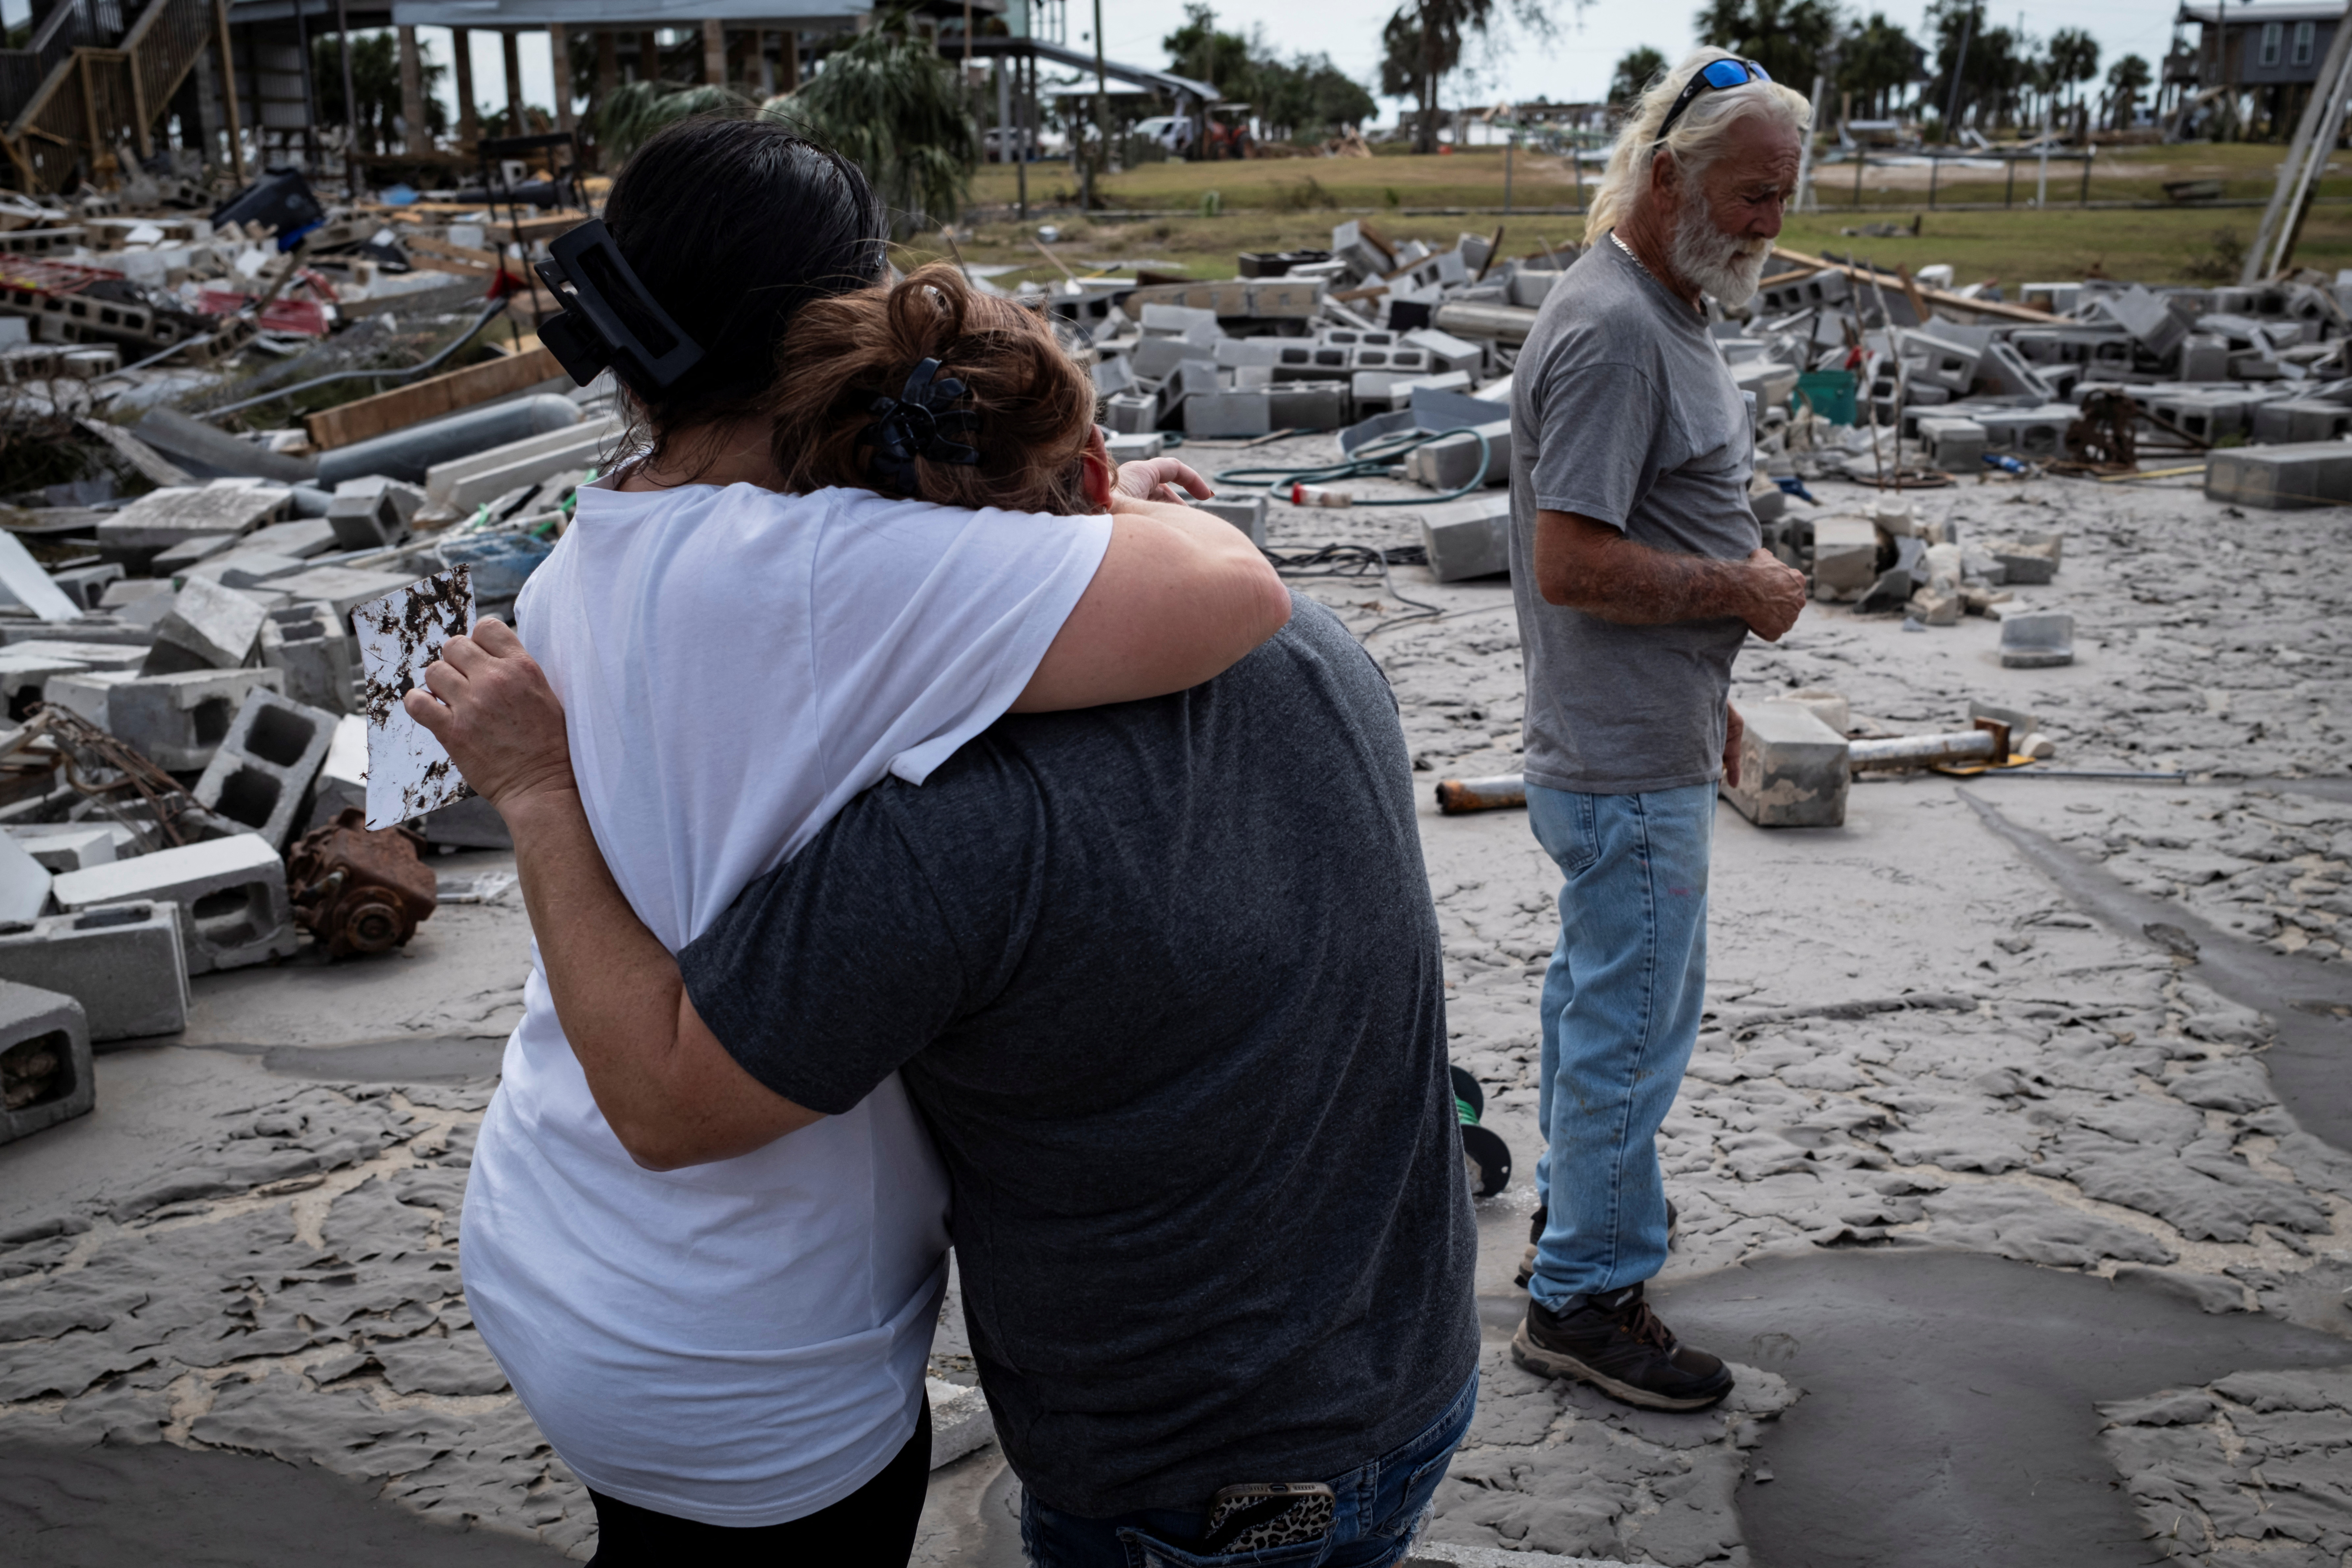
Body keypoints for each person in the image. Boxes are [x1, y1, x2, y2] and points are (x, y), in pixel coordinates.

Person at [457, 116, 1291, 1562]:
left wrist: (1047, 546)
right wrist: (1096, 524)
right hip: (748, 1333)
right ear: (831, 323)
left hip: (560, 1233)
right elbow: (1234, 593)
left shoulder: (603, 542)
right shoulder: (825, 577)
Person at [411, 546, 1479, 1564]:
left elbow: (664, 1102)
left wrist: (540, 792)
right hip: (1411, 1371)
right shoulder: (1311, 647)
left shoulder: (964, 823)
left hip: (1186, 1482)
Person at [1502, 51, 1813, 1412]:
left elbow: (1644, 529)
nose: (1767, 224)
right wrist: (1739, 591)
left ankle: (1574, 1238)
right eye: (1751, 195)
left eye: (1782, 200)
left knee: (1597, 1010)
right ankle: (1583, 1298)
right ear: (1669, 174)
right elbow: (1568, 561)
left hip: (1642, 736)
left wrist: (1714, 672)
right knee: (1631, 1027)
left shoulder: (1665, 308)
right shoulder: (1616, 328)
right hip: (1621, 764)